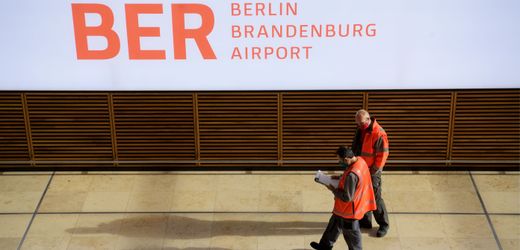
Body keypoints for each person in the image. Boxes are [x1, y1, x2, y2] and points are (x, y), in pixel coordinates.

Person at [310, 146, 376, 250]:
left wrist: (332, 189)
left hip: (349, 211)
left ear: (346, 159)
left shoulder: (352, 175)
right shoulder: (360, 161)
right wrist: (340, 177)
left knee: (351, 236)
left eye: (339, 160)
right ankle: (324, 246)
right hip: (343, 209)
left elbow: (347, 197)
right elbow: (354, 179)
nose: (339, 162)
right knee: (333, 226)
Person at [351, 109, 390, 237]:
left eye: (361, 124)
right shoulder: (361, 128)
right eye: (358, 124)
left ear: (368, 119)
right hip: (361, 168)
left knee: (375, 197)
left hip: (372, 171)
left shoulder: (379, 133)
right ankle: (366, 221)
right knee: (362, 194)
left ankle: (384, 224)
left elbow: (382, 155)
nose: (359, 126)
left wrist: (373, 171)